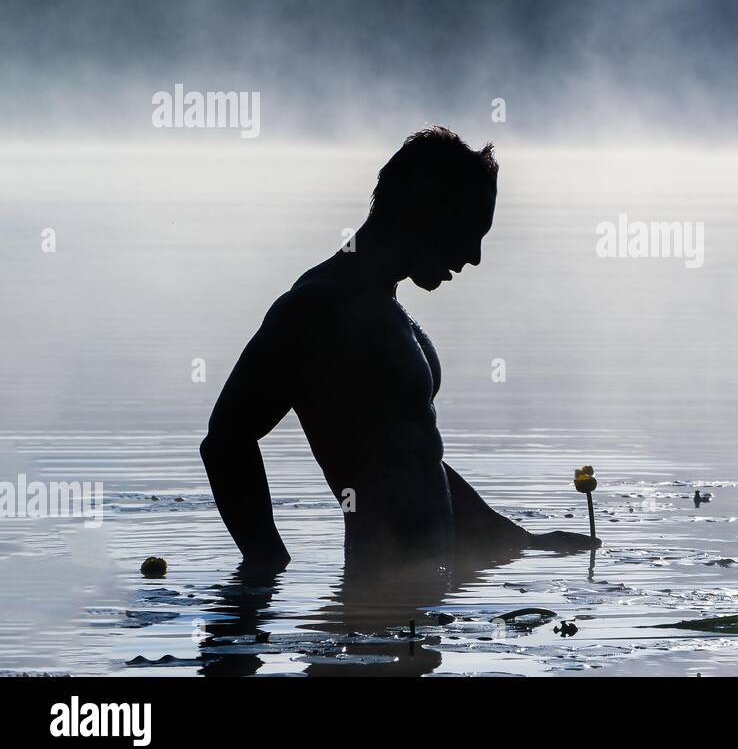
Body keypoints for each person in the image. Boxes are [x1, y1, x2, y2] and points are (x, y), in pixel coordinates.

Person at [200, 127, 598, 569]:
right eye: (468, 231)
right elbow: (225, 441)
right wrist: (266, 564)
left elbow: (417, 460)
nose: (474, 256)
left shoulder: (386, 307)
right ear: (424, 211)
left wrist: (523, 541)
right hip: (376, 610)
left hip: (422, 601)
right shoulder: (316, 307)